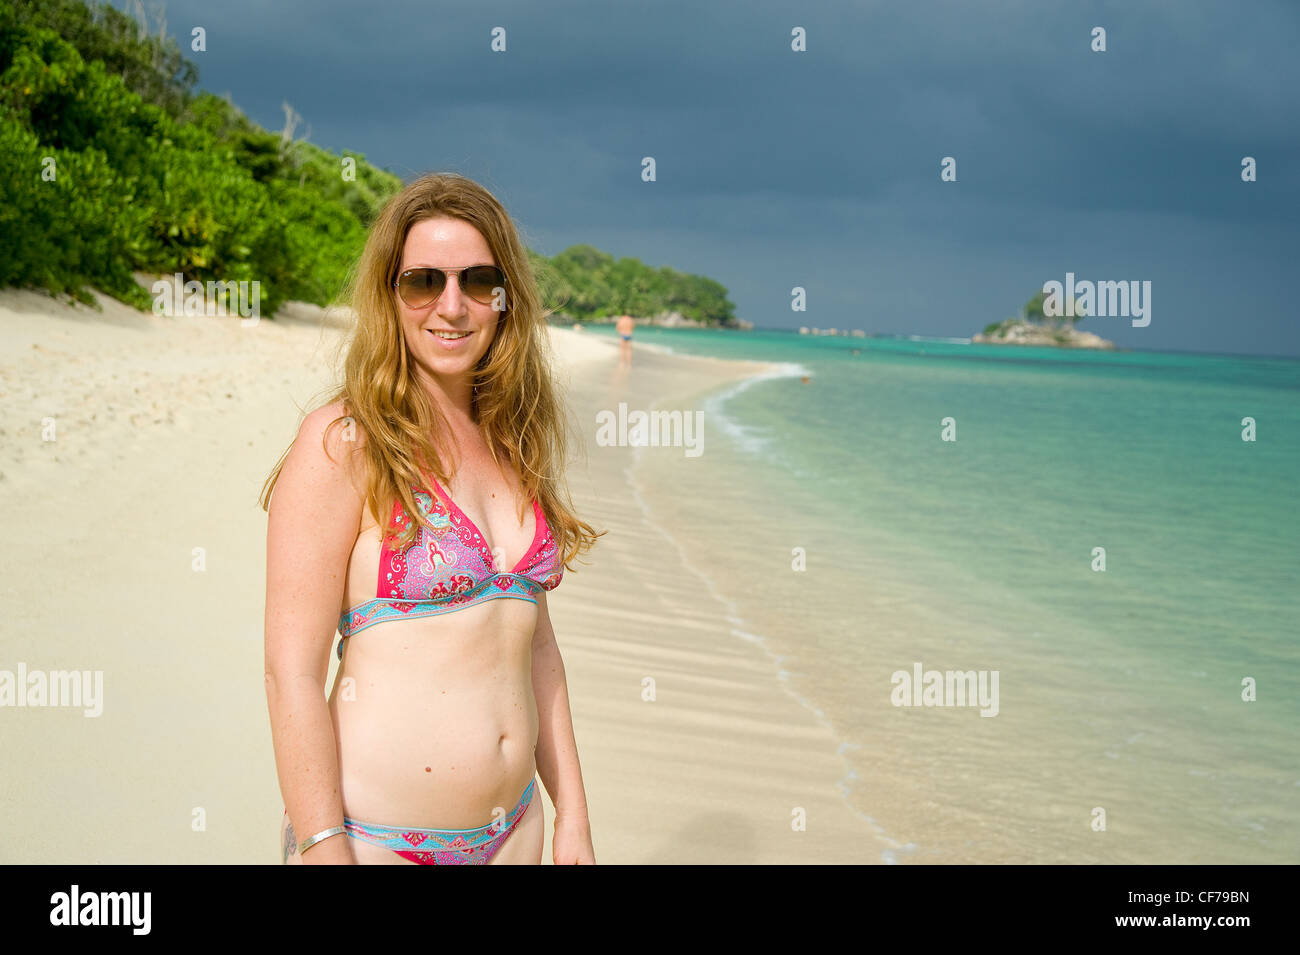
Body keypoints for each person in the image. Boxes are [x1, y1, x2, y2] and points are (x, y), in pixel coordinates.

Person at [260, 172, 603, 865]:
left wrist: (574, 815)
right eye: (424, 281)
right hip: (374, 840)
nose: (452, 305)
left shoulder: (514, 441)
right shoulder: (344, 442)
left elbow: (536, 648)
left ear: (506, 298)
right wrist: (325, 849)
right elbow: (288, 671)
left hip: (515, 835)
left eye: (478, 281)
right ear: (392, 294)